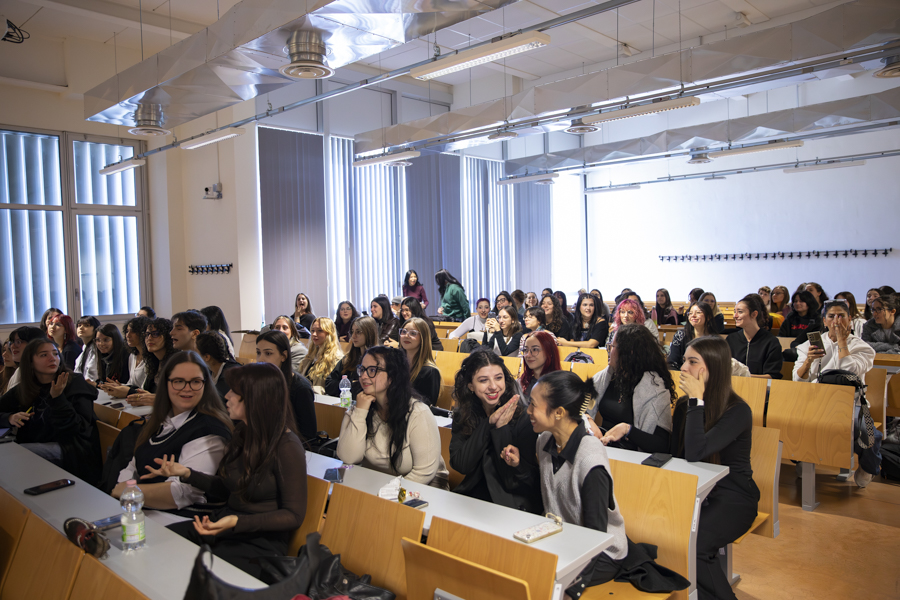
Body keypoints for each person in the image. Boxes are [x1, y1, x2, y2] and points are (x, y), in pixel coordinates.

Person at [503, 370, 689, 600]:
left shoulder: (590, 458)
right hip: (564, 539)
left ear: (559, 412)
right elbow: (548, 487)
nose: (528, 411)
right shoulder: (544, 441)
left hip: (600, 554)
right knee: (512, 563)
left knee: (540, 580)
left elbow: (596, 536)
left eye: (533, 405)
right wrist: (520, 466)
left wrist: (573, 588)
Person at [152, 362, 307, 579]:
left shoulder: (287, 446)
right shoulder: (243, 432)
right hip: (225, 523)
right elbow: (230, 489)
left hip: (258, 542)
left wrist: (237, 522)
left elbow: (294, 515)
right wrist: (187, 474)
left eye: (235, 392)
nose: (227, 396)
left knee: (197, 575)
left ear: (254, 398)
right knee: (160, 544)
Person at [672, 336, 759, 600]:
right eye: (684, 360)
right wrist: (629, 430)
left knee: (694, 545)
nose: (683, 368)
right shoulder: (686, 406)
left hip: (733, 498)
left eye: (692, 362)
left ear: (713, 367)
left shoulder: (738, 411)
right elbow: (675, 454)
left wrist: (696, 401)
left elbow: (696, 453)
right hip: (697, 494)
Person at [112, 351, 233, 511]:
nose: (187, 388)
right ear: (166, 384)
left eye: (195, 381)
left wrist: (128, 492)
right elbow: (133, 465)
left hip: (178, 518)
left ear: (205, 384)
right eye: (178, 381)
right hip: (142, 508)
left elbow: (183, 493)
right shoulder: (161, 420)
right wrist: (124, 486)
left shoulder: (210, 430)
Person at [336, 346, 449, 488]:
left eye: (372, 370)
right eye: (362, 369)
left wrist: (388, 493)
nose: (363, 376)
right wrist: (360, 412)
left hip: (420, 487)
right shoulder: (360, 407)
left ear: (393, 376)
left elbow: (424, 472)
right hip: (376, 483)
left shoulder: (418, 413)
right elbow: (349, 458)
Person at [450, 350, 540, 513]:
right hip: (472, 497)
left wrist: (501, 429)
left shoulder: (524, 418)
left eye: (498, 378)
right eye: (483, 380)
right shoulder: (464, 415)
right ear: (470, 386)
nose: (493, 386)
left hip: (512, 503)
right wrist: (489, 423)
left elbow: (512, 481)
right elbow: (461, 465)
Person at [0, 339, 101, 485]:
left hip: (72, 449)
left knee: (17, 455)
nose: (52, 358)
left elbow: (77, 428)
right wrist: (9, 418)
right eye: (43, 355)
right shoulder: (27, 387)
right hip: (38, 442)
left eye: (55, 353)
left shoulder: (74, 382)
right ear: (30, 362)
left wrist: (58, 398)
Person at [588, 324, 675, 453]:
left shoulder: (655, 389)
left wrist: (627, 430)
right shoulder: (606, 376)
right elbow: (583, 407)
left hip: (631, 455)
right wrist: (589, 420)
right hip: (603, 448)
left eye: (612, 346)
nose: (608, 350)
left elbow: (661, 444)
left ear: (629, 352)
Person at [255, 330, 317, 442]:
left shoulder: (300, 388)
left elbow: (308, 434)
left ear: (284, 356)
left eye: (268, 353)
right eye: (258, 353)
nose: (261, 359)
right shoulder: (258, 383)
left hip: (290, 446)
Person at [126, 318, 180, 406]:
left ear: (168, 337)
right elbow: (146, 391)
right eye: (147, 334)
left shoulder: (177, 363)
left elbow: (181, 397)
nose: (149, 338)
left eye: (155, 334)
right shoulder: (153, 362)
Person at [726, 294, 783, 379]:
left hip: (760, 386)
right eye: (735, 312)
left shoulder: (771, 342)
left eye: (740, 312)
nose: (735, 316)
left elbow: (772, 376)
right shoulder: (731, 339)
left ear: (754, 314)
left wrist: (745, 376)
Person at [324, 316, 378, 399]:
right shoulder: (349, 358)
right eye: (352, 332)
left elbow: (368, 389)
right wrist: (351, 384)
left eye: (358, 332)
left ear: (369, 333)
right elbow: (329, 384)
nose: (353, 336)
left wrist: (345, 386)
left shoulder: (378, 360)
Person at [99, 317, 150, 399]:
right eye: (127, 331)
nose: (128, 335)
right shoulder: (132, 355)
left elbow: (146, 389)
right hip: (133, 397)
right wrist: (118, 386)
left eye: (133, 331)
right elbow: (131, 383)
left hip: (143, 398)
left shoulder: (150, 357)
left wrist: (125, 389)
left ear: (143, 333)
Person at [399, 318, 441, 406]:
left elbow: (426, 406)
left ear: (423, 338)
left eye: (413, 333)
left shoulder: (430, 372)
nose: (406, 335)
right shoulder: (396, 365)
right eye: (404, 331)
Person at [297, 317, 344, 394]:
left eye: (319, 331)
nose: (314, 334)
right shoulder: (311, 356)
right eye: (312, 331)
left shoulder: (336, 358)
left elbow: (331, 388)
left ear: (329, 333)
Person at [668, 302, 718, 369]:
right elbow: (672, 362)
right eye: (690, 313)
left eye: (698, 312)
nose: (693, 315)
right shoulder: (680, 335)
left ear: (708, 317)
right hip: (682, 373)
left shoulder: (715, 340)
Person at [196, 332, 241, 399]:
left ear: (206, 357)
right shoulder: (211, 370)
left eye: (195, 352)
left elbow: (214, 400)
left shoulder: (231, 375)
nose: (193, 355)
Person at [519, 331, 561, 402]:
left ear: (550, 352)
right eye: (525, 350)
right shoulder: (521, 383)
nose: (528, 355)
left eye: (535, 349)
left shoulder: (560, 386)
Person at [4, 327, 47, 392]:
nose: (12, 346)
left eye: (18, 342)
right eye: (12, 342)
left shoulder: (42, 373)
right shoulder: (20, 370)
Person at [74, 316, 101, 383]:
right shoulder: (85, 346)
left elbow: (92, 374)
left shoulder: (95, 347)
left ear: (95, 329)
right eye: (79, 325)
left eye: (86, 325)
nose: (81, 328)